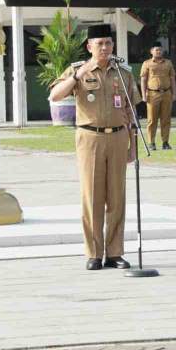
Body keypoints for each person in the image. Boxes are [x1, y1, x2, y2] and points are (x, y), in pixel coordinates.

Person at [49, 24, 142, 271]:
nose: (105, 48)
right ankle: (93, 252)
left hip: (118, 138)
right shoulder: (78, 70)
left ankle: (114, 253)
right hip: (90, 138)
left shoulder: (122, 73)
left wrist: (133, 146)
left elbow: (131, 111)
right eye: (99, 43)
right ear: (89, 46)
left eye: (108, 43)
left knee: (116, 197)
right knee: (92, 196)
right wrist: (77, 77)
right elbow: (55, 95)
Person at [140, 42, 176, 151]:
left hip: (166, 93)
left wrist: (174, 94)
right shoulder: (147, 63)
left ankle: (165, 142)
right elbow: (143, 80)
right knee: (152, 120)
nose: (158, 52)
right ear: (151, 51)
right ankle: (151, 143)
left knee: (166, 119)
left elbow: (172, 79)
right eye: (156, 50)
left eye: (160, 50)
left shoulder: (168, 63)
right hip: (152, 94)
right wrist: (143, 94)